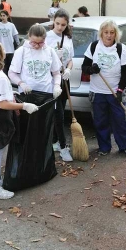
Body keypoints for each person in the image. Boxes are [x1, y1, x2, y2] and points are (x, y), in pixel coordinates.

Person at [0, 40, 38, 199]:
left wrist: (9, 95)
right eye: (2, 49)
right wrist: (24, 106)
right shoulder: (0, 77)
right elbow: (3, 104)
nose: (5, 50)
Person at [81, 20, 126, 159]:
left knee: (121, 121)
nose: (109, 35)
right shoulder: (94, 46)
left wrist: (120, 90)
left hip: (115, 92)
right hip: (97, 92)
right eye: (106, 32)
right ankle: (104, 147)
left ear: (116, 34)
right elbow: (84, 67)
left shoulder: (120, 48)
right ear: (101, 33)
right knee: (100, 121)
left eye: (112, 32)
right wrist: (92, 69)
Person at [45, 9, 74, 162]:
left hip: (64, 78)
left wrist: (69, 69)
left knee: (61, 111)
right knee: (58, 114)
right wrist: (54, 58)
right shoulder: (47, 38)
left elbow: (71, 59)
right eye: (57, 24)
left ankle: (55, 142)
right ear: (53, 21)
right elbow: (43, 60)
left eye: (63, 25)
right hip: (52, 80)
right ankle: (63, 147)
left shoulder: (68, 37)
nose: (60, 27)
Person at [8, 24, 62, 99]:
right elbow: (11, 73)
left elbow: (56, 73)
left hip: (47, 93)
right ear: (29, 36)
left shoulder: (50, 51)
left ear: (45, 39)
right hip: (27, 94)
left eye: (40, 43)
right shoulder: (21, 51)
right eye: (33, 43)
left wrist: (57, 85)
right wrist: (22, 84)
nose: (37, 46)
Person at [0, 10, 19, 76]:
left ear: (7, 16)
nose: (2, 17)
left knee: (10, 65)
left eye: (4, 15)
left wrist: (18, 44)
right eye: (1, 16)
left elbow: (15, 35)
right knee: (3, 65)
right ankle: (4, 77)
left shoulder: (11, 25)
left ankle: (11, 77)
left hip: (10, 49)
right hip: (1, 49)